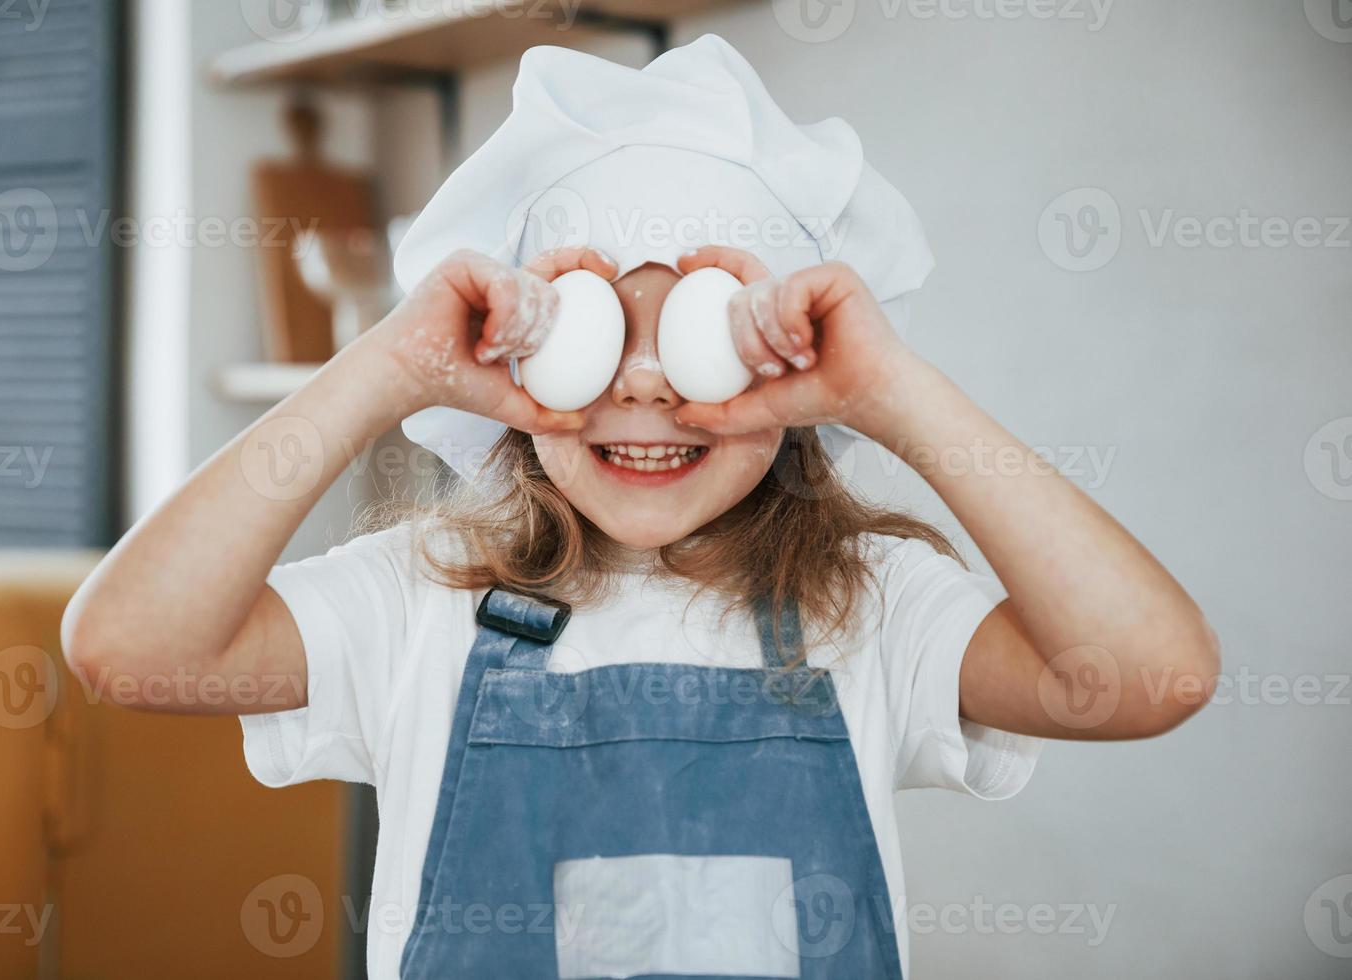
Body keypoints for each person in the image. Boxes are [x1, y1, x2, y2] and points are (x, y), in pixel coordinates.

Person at [62, 35, 1219, 979]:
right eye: (601, 333)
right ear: (516, 381)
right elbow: (129, 645)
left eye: (706, 343)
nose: (649, 382)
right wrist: (386, 367)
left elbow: (1150, 673)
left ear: (795, 385)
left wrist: (893, 391)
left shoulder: (868, 610)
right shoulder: (420, 599)